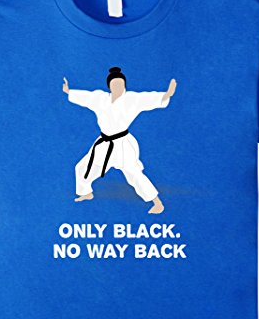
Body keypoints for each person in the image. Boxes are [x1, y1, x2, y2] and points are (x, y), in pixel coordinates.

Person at [63, 67, 177, 214]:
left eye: (120, 84)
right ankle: (86, 192)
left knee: (134, 174)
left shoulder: (131, 100)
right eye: (115, 84)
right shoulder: (100, 99)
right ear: (109, 86)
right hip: (104, 143)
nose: (118, 87)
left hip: (122, 144)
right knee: (82, 167)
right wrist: (69, 91)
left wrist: (167, 94)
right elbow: (86, 97)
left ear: (124, 85)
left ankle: (157, 203)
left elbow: (148, 99)